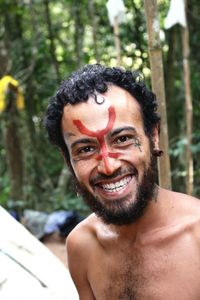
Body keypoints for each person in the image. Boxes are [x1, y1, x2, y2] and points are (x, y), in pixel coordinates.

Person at [45, 64, 200, 299]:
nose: (109, 166)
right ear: (68, 160)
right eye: (85, 149)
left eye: (123, 139)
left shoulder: (196, 235)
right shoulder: (82, 245)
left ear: (153, 137)